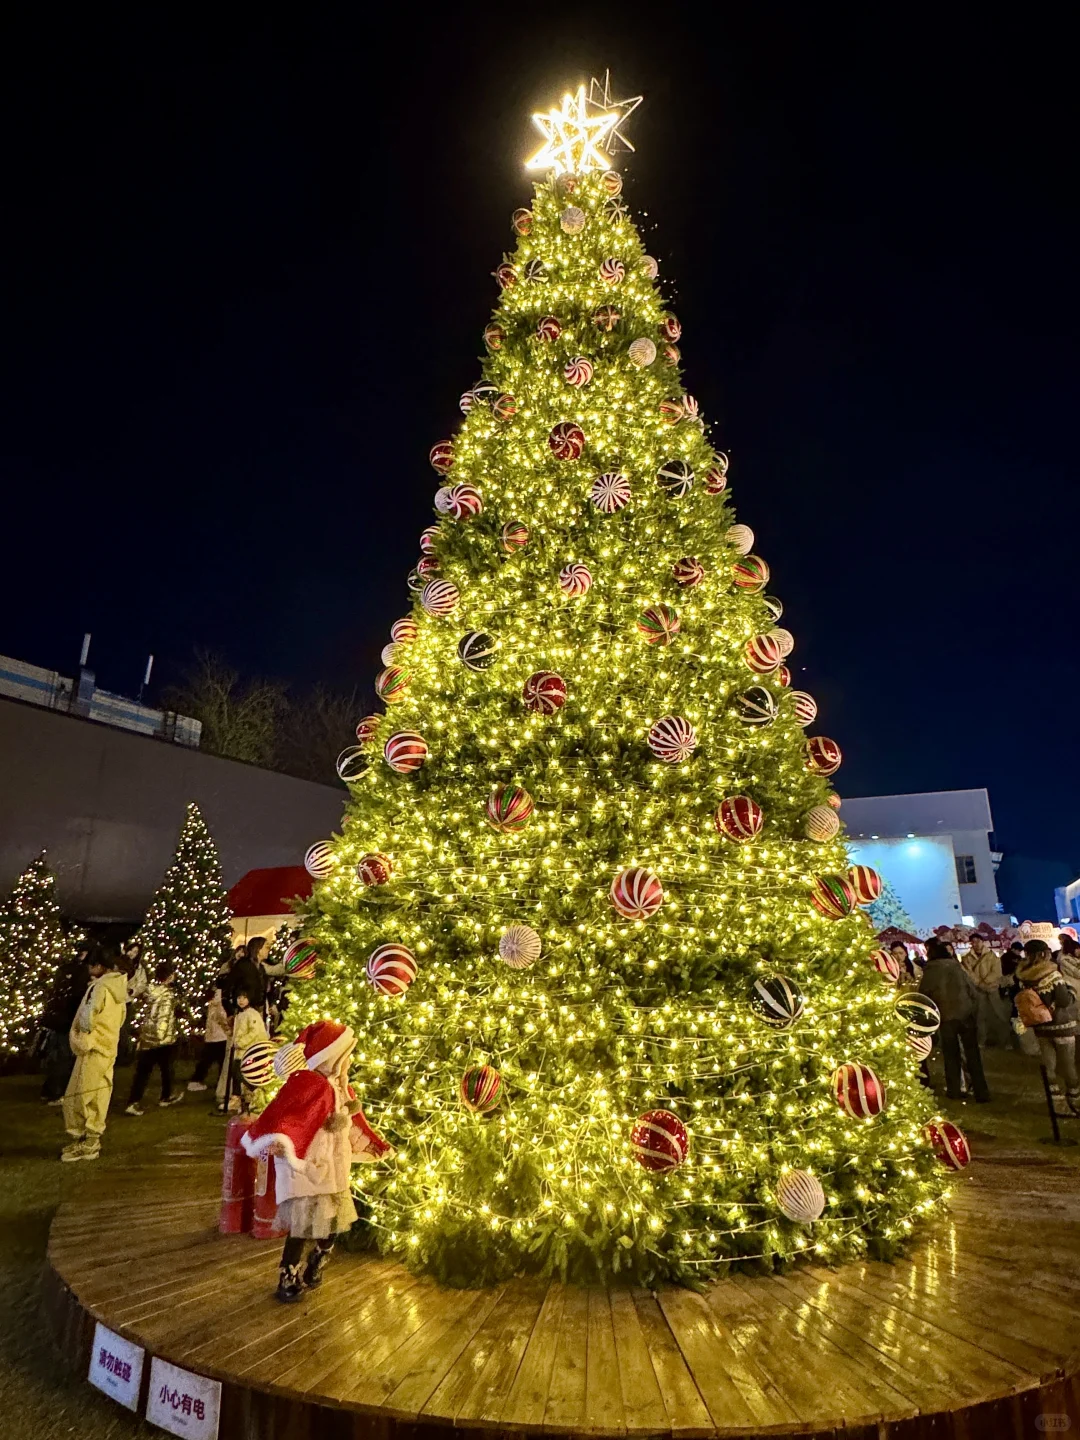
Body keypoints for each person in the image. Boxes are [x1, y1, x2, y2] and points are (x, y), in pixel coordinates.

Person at [240, 1020, 393, 1301]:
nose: (348, 1063)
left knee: (332, 1223)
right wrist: (278, 1141)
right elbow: (284, 1116)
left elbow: (354, 1125)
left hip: (333, 1170)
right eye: (345, 1057)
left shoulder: (341, 1090)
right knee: (300, 1227)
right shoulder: (308, 1084)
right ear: (331, 1057)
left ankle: (317, 1262)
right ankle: (288, 1277)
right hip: (309, 1170)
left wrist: (370, 1145)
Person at [61, 944, 128, 1161]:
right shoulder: (118, 988)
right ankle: (92, 1138)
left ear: (99, 965)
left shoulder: (100, 988)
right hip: (108, 1047)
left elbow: (87, 1017)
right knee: (99, 1092)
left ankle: (83, 1139)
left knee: (81, 1092)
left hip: (94, 1046)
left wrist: (83, 1038)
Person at [918, 937, 991, 1102]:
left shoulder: (931, 970)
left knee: (951, 1055)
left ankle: (954, 1089)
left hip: (946, 1016)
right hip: (966, 1014)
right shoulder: (956, 967)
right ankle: (981, 1091)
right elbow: (972, 990)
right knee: (973, 1054)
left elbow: (924, 995)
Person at [1015, 939, 1080, 1116]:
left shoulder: (1023, 976)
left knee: (1049, 1066)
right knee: (1069, 1066)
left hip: (1041, 1027)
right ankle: (1075, 1101)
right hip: (1062, 1025)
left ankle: (1057, 1104)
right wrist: (1072, 991)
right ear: (1043, 954)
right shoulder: (1052, 974)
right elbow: (1064, 1000)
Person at [124, 962, 182, 1115]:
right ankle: (166, 1096)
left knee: (143, 1072)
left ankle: (133, 1101)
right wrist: (163, 1037)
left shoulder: (150, 991)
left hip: (147, 1036)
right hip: (162, 1039)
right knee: (167, 1069)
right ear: (170, 976)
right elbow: (164, 1016)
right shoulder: (168, 995)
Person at [39, 943, 90, 1104]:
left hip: (57, 1019)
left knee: (58, 1055)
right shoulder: (81, 972)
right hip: (67, 1019)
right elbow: (77, 997)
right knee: (65, 1057)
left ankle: (49, 1090)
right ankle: (56, 1092)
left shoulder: (65, 969)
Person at [188, 958, 231, 1092]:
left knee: (209, 1059)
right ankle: (201, 1080)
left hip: (213, 1034)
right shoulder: (221, 997)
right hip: (220, 1034)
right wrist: (228, 1028)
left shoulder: (214, 996)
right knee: (217, 1060)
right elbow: (220, 1016)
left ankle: (199, 1079)